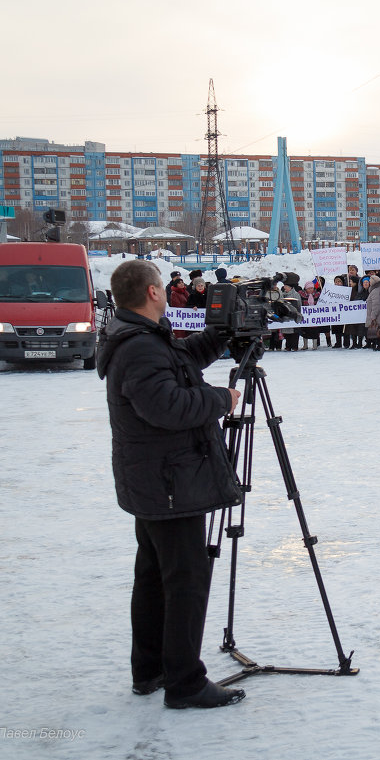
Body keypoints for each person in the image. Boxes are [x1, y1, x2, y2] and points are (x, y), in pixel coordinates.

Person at [95, 260, 245, 710]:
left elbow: (177, 366)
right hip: (168, 482)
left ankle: (151, 669)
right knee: (185, 580)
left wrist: (219, 337)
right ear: (153, 293)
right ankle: (184, 682)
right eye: (161, 285)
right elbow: (167, 405)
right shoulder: (138, 344)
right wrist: (222, 398)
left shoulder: (137, 335)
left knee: (155, 577)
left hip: (157, 479)